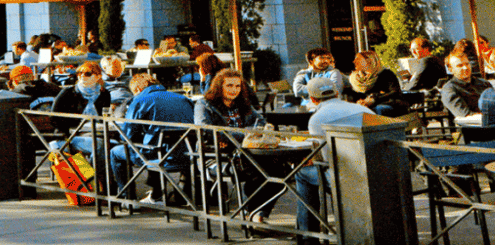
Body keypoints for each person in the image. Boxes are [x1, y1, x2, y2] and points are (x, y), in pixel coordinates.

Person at [295, 77, 374, 243]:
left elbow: (326, 159)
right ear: (337, 93)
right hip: (376, 171)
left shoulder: (316, 119)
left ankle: (307, 237)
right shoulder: (364, 110)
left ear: (312, 99)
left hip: (346, 177)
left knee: (301, 173)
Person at [196, 70, 278, 221]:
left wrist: (247, 133)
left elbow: (260, 121)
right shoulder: (204, 103)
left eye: (237, 86)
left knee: (281, 170)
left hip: (249, 153)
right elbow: (205, 128)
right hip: (218, 157)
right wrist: (246, 134)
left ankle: (258, 212)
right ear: (219, 86)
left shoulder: (243, 103)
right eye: (229, 85)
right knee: (257, 171)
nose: (234, 89)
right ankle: (252, 213)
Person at [109, 72, 195, 205]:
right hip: (187, 153)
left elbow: (127, 135)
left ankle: (128, 197)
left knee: (116, 152)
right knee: (155, 143)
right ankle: (180, 195)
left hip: (157, 155)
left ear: (137, 89)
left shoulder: (140, 100)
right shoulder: (183, 98)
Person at [49, 61, 112, 161]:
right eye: (79, 73)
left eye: (87, 74)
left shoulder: (104, 94)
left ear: (98, 76)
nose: (82, 76)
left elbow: (105, 117)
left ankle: (95, 175)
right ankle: (93, 175)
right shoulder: (68, 92)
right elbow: (54, 118)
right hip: (70, 136)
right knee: (101, 145)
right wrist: (71, 128)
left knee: (115, 146)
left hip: (97, 132)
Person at [343, 50, 407, 117]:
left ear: (369, 61)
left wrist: (374, 100)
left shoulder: (386, 74)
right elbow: (358, 95)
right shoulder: (356, 79)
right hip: (367, 106)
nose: (354, 61)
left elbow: (394, 92)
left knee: (378, 110)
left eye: (358, 59)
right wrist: (360, 102)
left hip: (388, 105)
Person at [440, 51, 492, 118]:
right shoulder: (449, 89)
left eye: (467, 64)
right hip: (471, 126)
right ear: (450, 69)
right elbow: (464, 115)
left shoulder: (484, 84)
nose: (465, 68)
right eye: (460, 66)